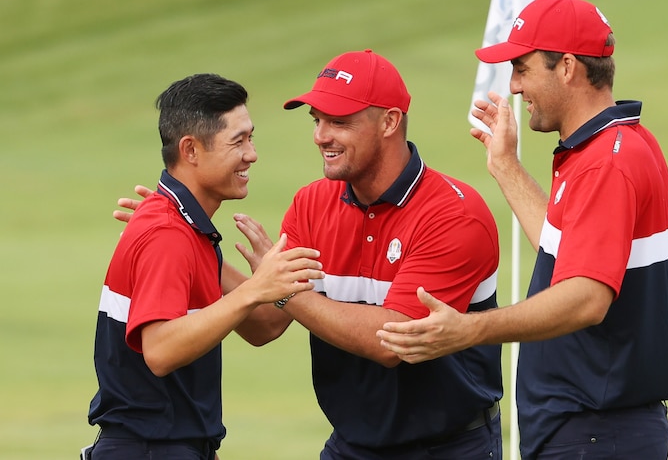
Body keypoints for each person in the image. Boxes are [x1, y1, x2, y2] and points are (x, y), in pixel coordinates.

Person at [111, 51, 504, 459]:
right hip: (351, 446)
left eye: (339, 121)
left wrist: (282, 290)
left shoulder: (454, 215)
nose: (320, 135)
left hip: (448, 448)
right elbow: (265, 324)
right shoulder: (312, 204)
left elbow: (394, 340)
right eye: (317, 120)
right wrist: (193, 242)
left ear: (389, 122)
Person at [377, 0, 668, 460]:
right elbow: (564, 251)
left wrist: (470, 330)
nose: (515, 87)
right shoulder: (613, 146)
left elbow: (586, 297)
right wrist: (505, 166)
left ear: (566, 67)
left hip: (596, 433)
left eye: (522, 68)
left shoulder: (606, 163)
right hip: (592, 431)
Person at [86, 73, 324, 460]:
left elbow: (263, 327)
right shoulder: (167, 232)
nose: (252, 153)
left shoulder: (184, 229)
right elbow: (160, 351)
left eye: (251, 137)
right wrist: (253, 288)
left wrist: (269, 284)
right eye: (238, 141)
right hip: (151, 450)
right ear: (191, 150)